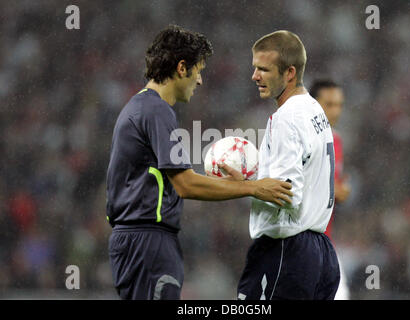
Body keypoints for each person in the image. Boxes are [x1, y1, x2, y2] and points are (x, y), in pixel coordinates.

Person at [105, 25, 293, 300]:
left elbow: (181, 181)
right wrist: (253, 188)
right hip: (147, 242)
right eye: (199, 70)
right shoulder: (156, 110)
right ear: (182, 68)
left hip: (140, 240)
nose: (201, 80)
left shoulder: (141, 107)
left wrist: (230, 185)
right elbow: (185, 184)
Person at [236, 30, 340, 300]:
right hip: (321, 254)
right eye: (254, 68)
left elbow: (286, 193)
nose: (255, 76)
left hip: (287, 251)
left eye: (264, 69)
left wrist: (242, 186)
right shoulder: (316, 111)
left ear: (289, 72)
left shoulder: (286, 117)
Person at [310, 80, 351, 300]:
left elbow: (332, 187)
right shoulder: (303, 139)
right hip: (301, 241)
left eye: (339, 104)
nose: (335, 110)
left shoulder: (336, 139)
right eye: (329, 104)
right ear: (313, 105)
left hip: (324, 240)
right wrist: (334, 190)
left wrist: (339, 191)